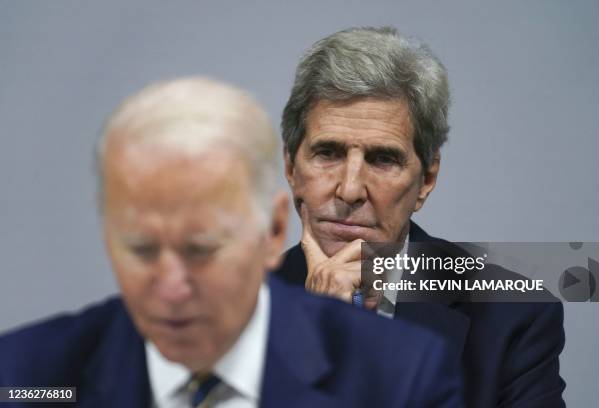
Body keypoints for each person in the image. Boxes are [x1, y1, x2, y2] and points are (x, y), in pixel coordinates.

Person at [0, 77, 464, 407]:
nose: (171, 286)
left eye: (201, 249)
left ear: (272, 229)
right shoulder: (24, 377)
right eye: (141, 248)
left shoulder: (403, 373)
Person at [275, 26, 566, 407]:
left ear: (426, 179)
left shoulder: (514, 314)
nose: (349, 190)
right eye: (328, 153)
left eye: (383, 159)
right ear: (292, 169)